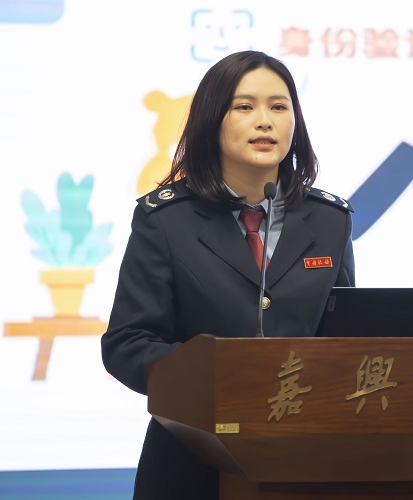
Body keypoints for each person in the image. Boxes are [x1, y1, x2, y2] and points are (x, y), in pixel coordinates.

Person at [101, 50, 355, 500]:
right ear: (211, 121)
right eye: (245, 107)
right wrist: (213, 379)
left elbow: (347, 336)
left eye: (279, 107)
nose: (265, 121)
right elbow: (128, 342)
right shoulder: (166, 220)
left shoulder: (330, 220)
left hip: (305, 458)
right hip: (191, 459)